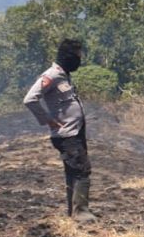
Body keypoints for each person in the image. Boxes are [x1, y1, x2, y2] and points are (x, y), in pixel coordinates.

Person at [23, 39, 96, 222]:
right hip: (66, 134)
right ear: (67, 57)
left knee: (73, 170)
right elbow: (30, 99)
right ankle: (81, 212)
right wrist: (47, 120)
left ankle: (74, 211)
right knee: (81, 170)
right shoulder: (52, 75)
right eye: (77, 57)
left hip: (75, 131)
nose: (79, 61)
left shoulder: (64, 75)